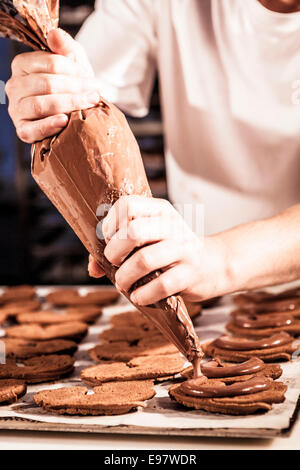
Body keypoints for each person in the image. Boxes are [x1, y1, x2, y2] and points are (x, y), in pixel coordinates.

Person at [5, 0, 300, 306]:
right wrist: (48, 91)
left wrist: (218, 259)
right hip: (194, 291)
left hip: (212, 271)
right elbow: (84, 91)